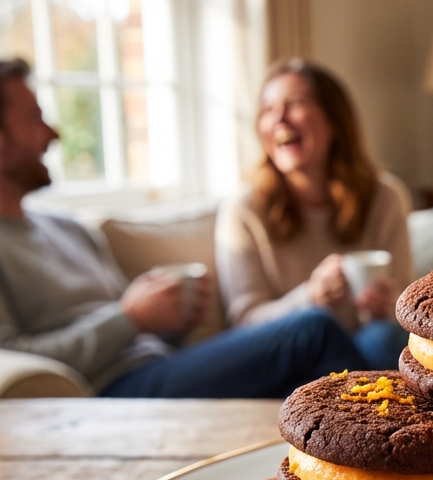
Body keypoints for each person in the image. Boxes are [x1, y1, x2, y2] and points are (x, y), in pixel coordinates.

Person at [0, 58, 369, 398]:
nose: (53, 133)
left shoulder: (70, 229)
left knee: (313, 380)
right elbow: (13, 355)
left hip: (158, 366)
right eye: (34, 119)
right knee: (312, 331)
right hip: (112, 391)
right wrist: (130, 318)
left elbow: (133, 333)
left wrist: (171, 320)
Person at [216, 59, 411, 369]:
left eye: (295, 103)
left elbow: (404, 304)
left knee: (385, 338)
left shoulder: (383, 198)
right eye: (267, 109)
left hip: (366, 345)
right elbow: (245, 322)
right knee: (320, 325)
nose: (278, 119)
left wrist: (387, 305)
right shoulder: (244, 210)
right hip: (289, 358)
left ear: (335, 121)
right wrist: (310, 297)